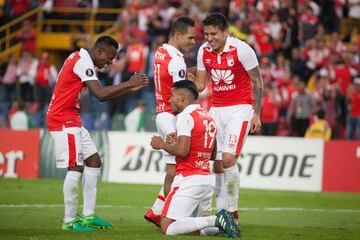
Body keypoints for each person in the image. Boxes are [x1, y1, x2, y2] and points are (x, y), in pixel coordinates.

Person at [46, 36, 149, 232]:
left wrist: (129, 86)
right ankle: (69, 221)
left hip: (72, 117)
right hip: (62, 119)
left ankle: (88, 215)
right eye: (109, 58)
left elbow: (103, 94)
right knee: (75, 167)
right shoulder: (82, 61)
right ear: (99, 51)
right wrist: (128, 83)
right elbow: (100, 95)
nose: (110, 63)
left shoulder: (82, 60)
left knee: (94, 161)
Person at [194, 13, 263, 222]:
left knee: (228, 158)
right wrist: (182, 79)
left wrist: (256, 113)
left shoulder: (242, 49)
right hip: (217, 109)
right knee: (215, 163)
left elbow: (257, 82)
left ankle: (233, 212)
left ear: (225, 32)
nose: (209, 38)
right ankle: (222, 213)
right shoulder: (203, 51)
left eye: (214, 33)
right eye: (206, 34)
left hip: (240, 108)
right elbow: (200, 84)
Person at [150, 80, 240, 237]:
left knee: (167, 227)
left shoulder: (185, 116)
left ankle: (217, 220)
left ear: (183, 98)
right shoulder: (208, 117)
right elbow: (213, 154)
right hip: (205, 179)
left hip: (188, 179)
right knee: (198, 231)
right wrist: (178, 142)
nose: (169, 99)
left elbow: (182, 151)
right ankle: (222, 223)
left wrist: (161, 144)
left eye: (172, 96)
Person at [144, 16, 196, 227]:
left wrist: (186, 74)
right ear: (177, 35)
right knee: (178, 170)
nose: (193, 42)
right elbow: (181, 95)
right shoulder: (177, 60)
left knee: (172, 169)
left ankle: (160, 210)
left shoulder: (160, 52)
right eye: (190, 37)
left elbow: (169, 79)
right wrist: (197, 86)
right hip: (172, 116)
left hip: (161, 114)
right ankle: (171, 215)